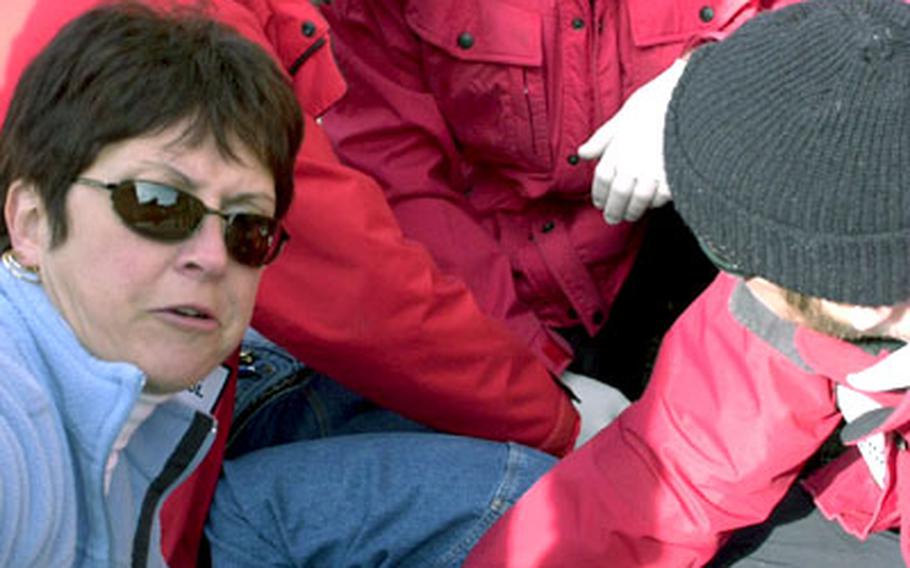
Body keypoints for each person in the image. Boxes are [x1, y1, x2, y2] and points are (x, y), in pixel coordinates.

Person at [0, 5, 556, 566]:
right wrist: (564, 424)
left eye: (250, 230)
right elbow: (360, 280)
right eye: (158, 205)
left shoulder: (139, 402)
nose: (213, 257)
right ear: (30, 220)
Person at [464, 0, 910, 565]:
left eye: (742, 263)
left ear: (854, 304)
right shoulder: (832, 263)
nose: (731, 282)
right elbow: (669, 474)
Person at [316, 0, 798, 399]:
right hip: (512, 266)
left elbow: (829, 24)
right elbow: (399, 178)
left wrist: (707, 85)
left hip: (711, 206)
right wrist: (534, 368)